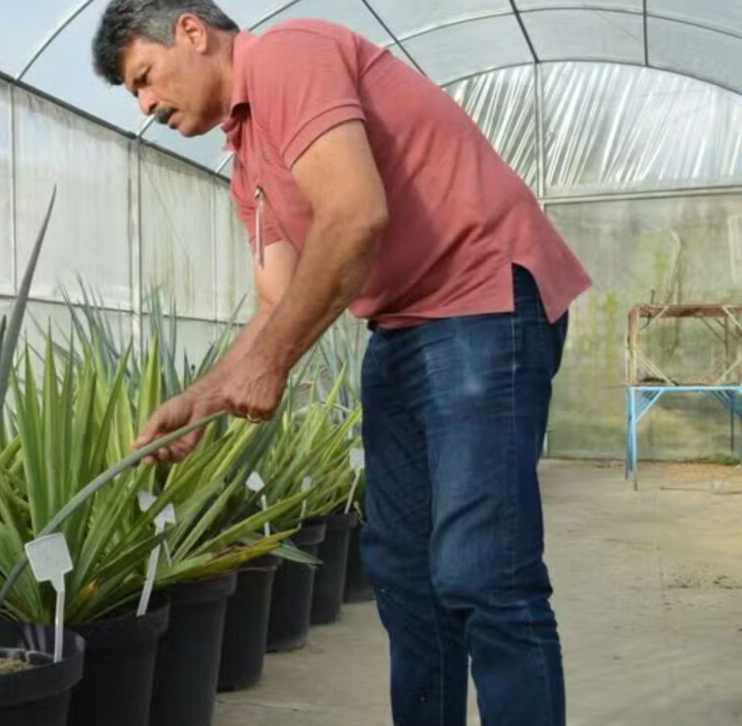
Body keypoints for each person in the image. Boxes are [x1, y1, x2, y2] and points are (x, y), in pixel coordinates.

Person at [92, 2, 590, 724]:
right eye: (132, 95)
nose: (144, 105)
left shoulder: (290, 55)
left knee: (483, 572)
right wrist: (200, 399)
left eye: (143, 77)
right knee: (405, 580)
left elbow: (355, 215)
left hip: (481, 298)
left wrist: (270, 368)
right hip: (399, 326)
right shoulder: (247, 162)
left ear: (193, 33)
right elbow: (276, 306)